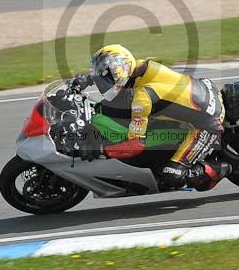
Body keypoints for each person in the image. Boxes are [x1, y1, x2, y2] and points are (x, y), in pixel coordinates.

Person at [87, 44, 231, 191]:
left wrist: (101, 151)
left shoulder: (142, 98)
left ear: (121, 71)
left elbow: (136, 146)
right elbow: (122, 98)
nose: (105, 84)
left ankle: (224, 167)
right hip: (206, 90)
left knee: (172, 176)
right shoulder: (143, 67)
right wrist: (85, 81)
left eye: (108, 78)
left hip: (209, 124)